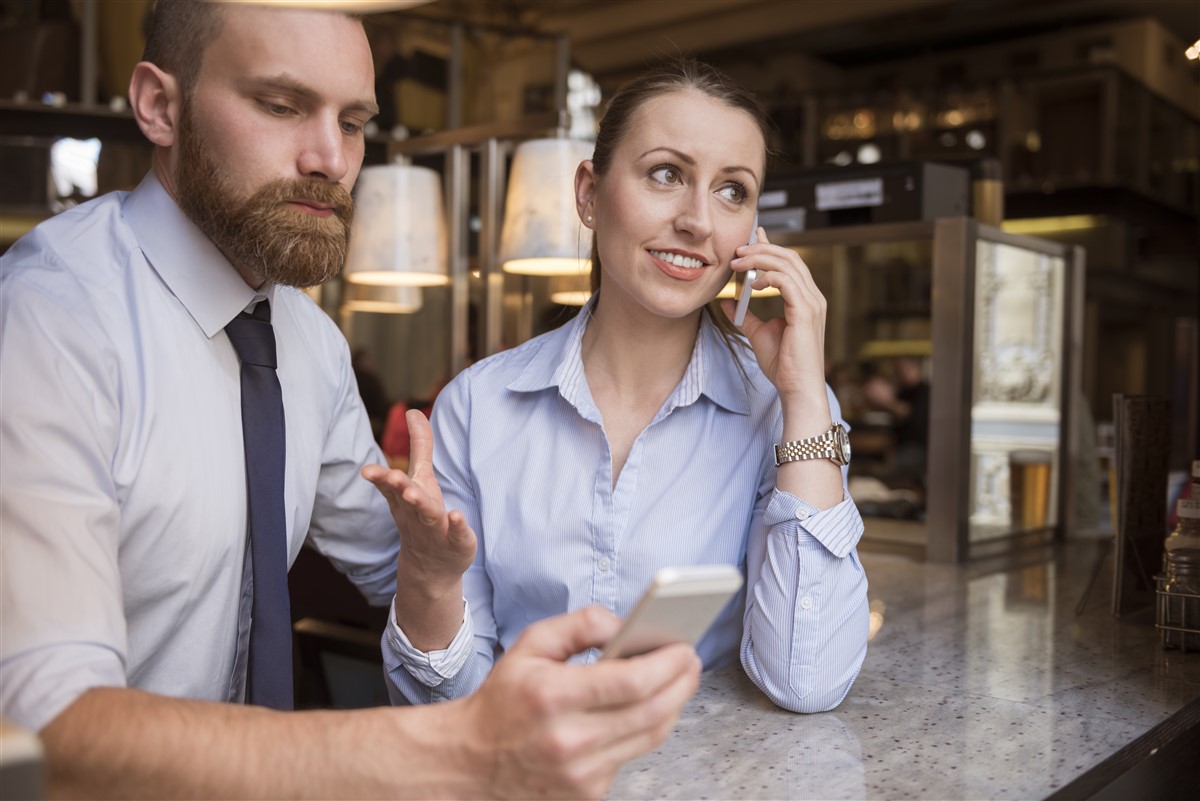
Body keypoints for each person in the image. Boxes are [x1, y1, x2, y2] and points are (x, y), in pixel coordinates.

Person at [0, 3, 699, 798]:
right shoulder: (47, 324)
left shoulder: (306, 341)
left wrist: (463, 557)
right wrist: (448, 746)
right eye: (280, 105)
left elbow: (399, 563)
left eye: (355, 121)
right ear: (161, 106)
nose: (331, 157)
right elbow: (45, 727)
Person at [365, 59, 870, 714]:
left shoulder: (786, 412)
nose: (698, 220)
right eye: (667, 174)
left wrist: (803, 397)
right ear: (588, 193)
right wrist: (429, 581)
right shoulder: (479, 406)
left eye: (733, 191)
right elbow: (443, 705)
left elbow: (807, 683)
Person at [861, 354, 930, 490]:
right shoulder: (903, 391)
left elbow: (906, 413)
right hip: (900, 445)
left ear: (915, 369)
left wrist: (884, 401)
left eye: (902, 370)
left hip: (917, 447)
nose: (899, 374)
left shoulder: (924, 390)